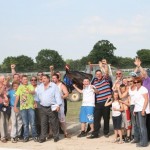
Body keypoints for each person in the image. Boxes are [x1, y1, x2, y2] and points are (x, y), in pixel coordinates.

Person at [35, 74, 62, 143]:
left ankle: (56, 136)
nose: (43, 80)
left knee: (54, 122)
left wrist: (58, 105)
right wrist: (35, 102)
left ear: (48, 79)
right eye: (42, 78)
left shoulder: (54, 86)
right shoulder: (40, 86)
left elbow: (57, 96)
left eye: (44, 78)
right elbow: (37, 96)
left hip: (52, 107)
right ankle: (43, 137)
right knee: (43, 123)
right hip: (42, 107)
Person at [88, 69, 112, 138]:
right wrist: (94, 88)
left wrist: (103, 66)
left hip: (106, 101)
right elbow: (97, 92)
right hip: (98, 102)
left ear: (102, 74)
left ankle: (106, 132)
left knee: (106, 117)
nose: (98, 75)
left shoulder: (106, 79)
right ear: (95, 75)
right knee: (96, 118)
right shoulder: (94, 82)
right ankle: (95, 133)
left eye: (99, 74)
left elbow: (107, 73)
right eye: (97, 74)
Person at [14, 75, 38, 142]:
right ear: (21, 80)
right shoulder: (20, 87)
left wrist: (30, 92)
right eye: (24, 79)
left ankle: (34, 136)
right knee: (25, 123)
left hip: (30, 107)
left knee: (32, 122)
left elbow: (34, 92)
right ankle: (26, 136)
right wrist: (15, 106)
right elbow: (17, 97)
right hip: (23, 107)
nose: (25, 80)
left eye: (26, 79)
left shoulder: (30, 86)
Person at [52, 73, 70, 138]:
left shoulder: (61, 85)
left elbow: (67, 94)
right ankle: (51, 133)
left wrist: (60, 97)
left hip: (60, 105)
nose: (53, 79)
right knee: (52, 119)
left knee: (62, 119)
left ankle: (65, 132)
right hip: (52, 105)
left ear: (58, 78)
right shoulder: (51, 85)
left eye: (54, 78)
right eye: (52, 78)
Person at [133, 77, 150, 147]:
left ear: (141, 82)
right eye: (135, 82)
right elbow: (136, 101)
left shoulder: (143, 89)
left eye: (138, 82)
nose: (136, 83)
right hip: (137, 109)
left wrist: (143, 110)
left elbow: (146, 100)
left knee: (143, 127)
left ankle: (144, 142)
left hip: (142, 110)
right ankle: (141, 141)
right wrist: (134, 109)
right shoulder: (136, 90)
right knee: (139, 126)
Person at [0, 77, 9, 143]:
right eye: (2, 79)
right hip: (1, 105)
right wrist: (3, 85)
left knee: (6, 121)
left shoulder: (6, 87)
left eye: (4, 79)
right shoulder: (2, 86)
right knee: (2, 121)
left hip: (6, 105)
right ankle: (2, 137)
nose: (4, 80)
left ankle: (6, 135)